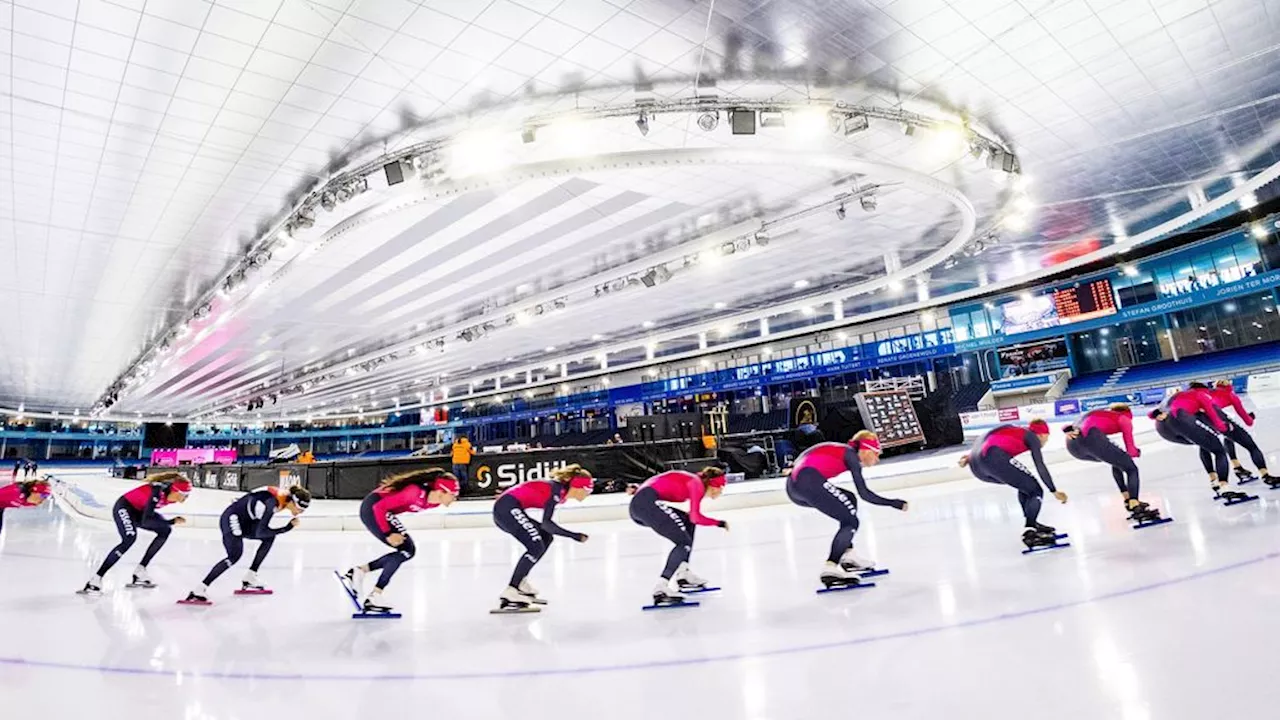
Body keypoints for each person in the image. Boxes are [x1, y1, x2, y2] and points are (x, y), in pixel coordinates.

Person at [787, 431, 908, 588]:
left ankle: (848, 556)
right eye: (876, 454)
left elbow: (812, 451)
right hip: (807, 481)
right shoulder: (851, 455)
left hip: (794, 488)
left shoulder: (843, 450)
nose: (877, 460)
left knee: (849, 499)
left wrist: (794, 465)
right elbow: (865, 494)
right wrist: (894, 503)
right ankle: (830, 567)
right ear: (865, 449)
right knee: (850, 521)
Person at [341, 469, 459, 615]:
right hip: (373, 509)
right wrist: (388, 532)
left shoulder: (434, 503)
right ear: (441, 491)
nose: (455, 499)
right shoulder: (414, 493)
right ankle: (373, 592)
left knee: (407, 551)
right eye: (453, 495)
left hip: (383, 512)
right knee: (407, 550)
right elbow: (380, 507)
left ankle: (360, 573)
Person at [181, 485, 313, 605]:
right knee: (235, 555)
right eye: (300, 509)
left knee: (269, 538)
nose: (300, 513)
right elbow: (261, 531)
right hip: (232, 518)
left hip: (246, 520)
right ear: (292, 502)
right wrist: (286, 528)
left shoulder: (283, 499)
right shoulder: (272, 502)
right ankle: (199, 589)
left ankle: (250, 577)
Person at [492, 464, 594, 611]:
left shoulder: (560, 492)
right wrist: (574, 536)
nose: (588, 494)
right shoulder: (556, 491)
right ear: (578, 487)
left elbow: (546, 528)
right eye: (587, 490)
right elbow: (547, 524)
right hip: (506, 508)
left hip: (509, 507)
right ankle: (511, 590)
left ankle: (520, 583)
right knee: (536, 545)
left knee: (545, 538)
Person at [627, 467, 729, 606]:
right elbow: (696, 517)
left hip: (643, 504)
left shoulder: (693, 480)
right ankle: (661, 588)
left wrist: (638, 488)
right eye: (721, 487)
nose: (721, 491)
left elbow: (659, 481)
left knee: (687, 523)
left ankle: (683, 574)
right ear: (713, 485)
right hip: (645, 504)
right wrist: (719, 523)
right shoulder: (696, 484)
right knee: (683, 542)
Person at [960, 419, 1067, 550]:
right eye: (1047, 437)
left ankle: (1031, 523)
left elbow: (990, 434)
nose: (1046, 441)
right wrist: (1053, 490)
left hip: (977, 466)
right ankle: (1030, 531)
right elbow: (1040, 465)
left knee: (1024, 485)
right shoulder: (1032, 437)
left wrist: (970, 456)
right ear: (1042, 434)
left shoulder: (1016, 430)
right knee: (1035, 490)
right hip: (992, 458)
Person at [80, 473, 191, 595]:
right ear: (176, 491)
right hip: (124, 507)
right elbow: (146, 521)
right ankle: (95, 581)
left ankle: (140, 571)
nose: (185, 499)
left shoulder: (170, 496)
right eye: (184, 495)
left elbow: (147, 517)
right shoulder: (157, 492)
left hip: (139, 511)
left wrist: (167, 524)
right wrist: (171, 521)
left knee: (165, 530)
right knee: (129, 539)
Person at [1062, 404, 1157, 521]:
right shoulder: (1124, 418)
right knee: (1131, 469)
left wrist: (1066, 429)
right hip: (1091, 438)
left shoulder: (1100, 414)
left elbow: (1071, 426)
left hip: (1073, 446)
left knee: (1116, 460)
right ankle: (1134, 503)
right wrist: (1136, 452)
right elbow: (1131, 450)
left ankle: (1127, 499)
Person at [1156, 386, 1233, 496]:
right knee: (1219, 451)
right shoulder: (1196, 396)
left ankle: (1214, 480)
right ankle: (1224, 487)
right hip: (1179, 420)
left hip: (1163, 430)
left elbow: (1155, 414)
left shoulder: (1167, 400)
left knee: (1204, 443)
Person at [1202, 381, 1273, 484]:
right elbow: (1248, 422)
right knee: (1251, 446)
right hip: (1218, 419)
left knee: (1207, 445)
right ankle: (1265, 474)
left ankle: (1216, 479)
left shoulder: (1206, 392)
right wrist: (1251, 418)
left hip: (1201, 419)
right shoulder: (1231, 395)